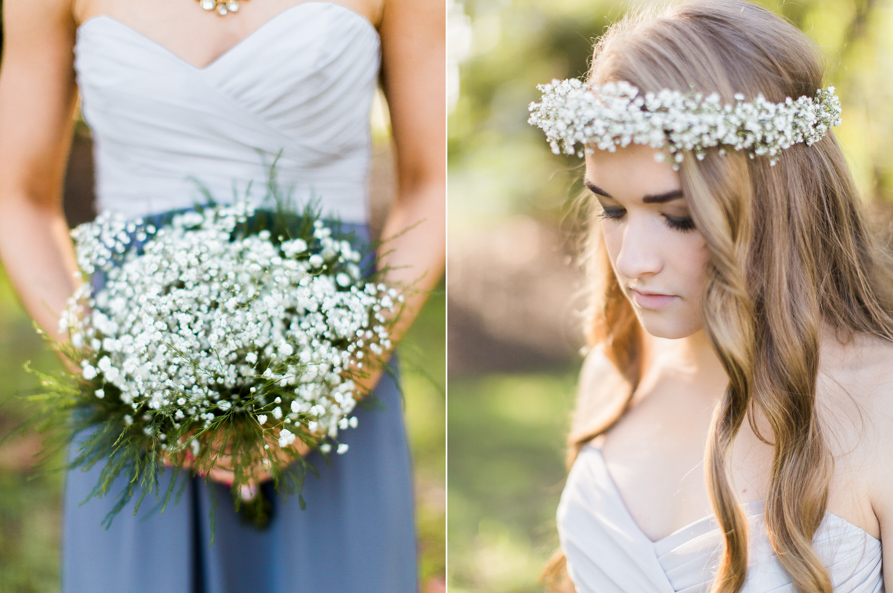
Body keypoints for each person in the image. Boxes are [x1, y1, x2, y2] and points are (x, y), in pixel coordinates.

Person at [0, 0, 444, 591]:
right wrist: (118, 378)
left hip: (334, 367)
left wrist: (337, 381)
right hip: (137, 378)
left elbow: (433, 182)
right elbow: (16, 197)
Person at [528, 1, 893, 591]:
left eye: (678, 217)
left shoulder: (884, 406)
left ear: (780, 202)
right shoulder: (616, 373)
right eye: (612, 210)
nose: (632, 262)